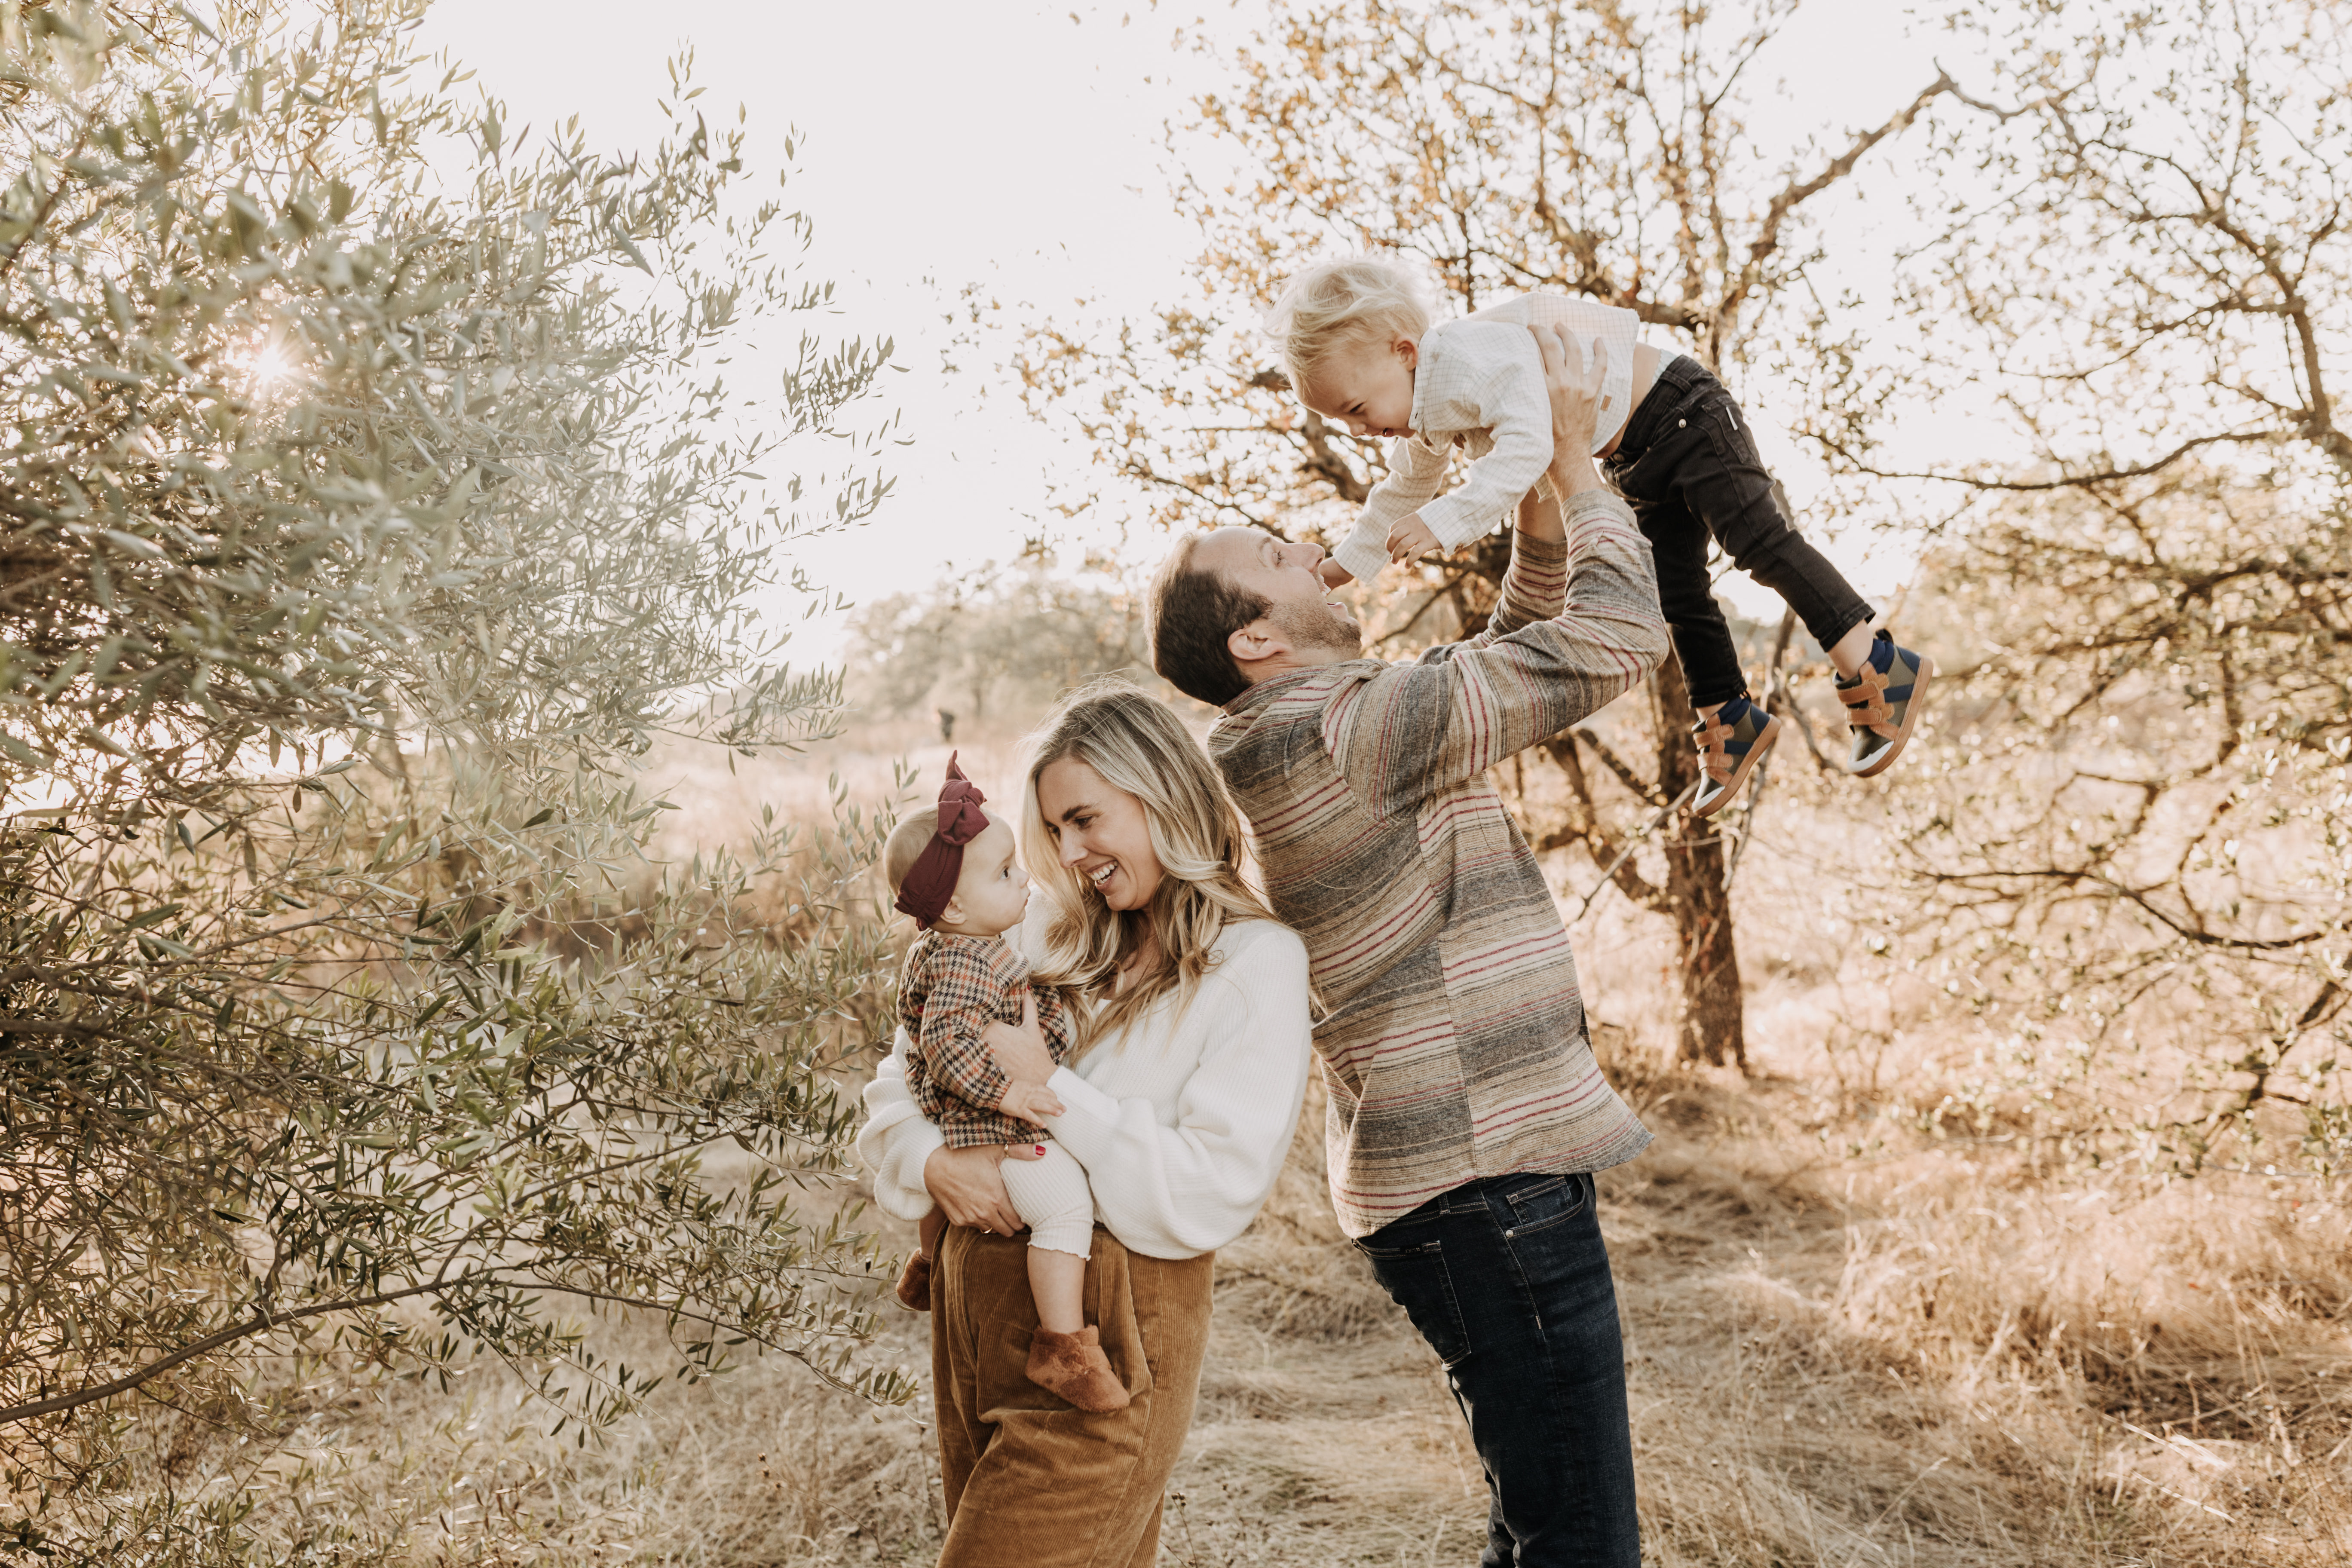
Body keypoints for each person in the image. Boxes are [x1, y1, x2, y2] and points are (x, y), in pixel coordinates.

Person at [1143, 322, 1663, 1567]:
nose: (1314, 551)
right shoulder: (1351, 730)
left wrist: (1533, 498)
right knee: (1582, 1546)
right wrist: (1581, 470)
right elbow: (1612, 643)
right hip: (1486, 1183)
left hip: (1469, 1180)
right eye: (1277, 560)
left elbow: (1502, 655)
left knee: (1545, 1532)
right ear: (1255, 641)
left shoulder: (1324, 725)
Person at [857, 682, 1314, 1568]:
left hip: (1111, 1323)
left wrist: (1054, 1086)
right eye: (1054, 832)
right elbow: (898, 1077)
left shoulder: (1255, 963)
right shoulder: (1046, 933)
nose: (1070, 854)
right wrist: (929, 1161)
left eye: (1085, 820)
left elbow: (1208, 1193)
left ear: (1161, 791)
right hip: (976, 1306)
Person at [1269, 254, 1934, 815]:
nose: (1362, 430)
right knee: (1678, 593)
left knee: (1757, 543)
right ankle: (1729, 717)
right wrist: (1342, 567)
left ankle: (1877, 663)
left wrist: (1446, 522)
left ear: (1405, 351)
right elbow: (1400, 492)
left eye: (1358, 409)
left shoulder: (1470, 360)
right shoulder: (1425, 407)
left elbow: (1532, 445)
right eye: (1346, 422)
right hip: (1635, 455)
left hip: (1683, 412)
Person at [881, 753, 1125, 1414]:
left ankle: (928, 1268)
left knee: (952, 1188)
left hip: (958, 1119)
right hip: (990, 1123)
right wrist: (1010, 1092)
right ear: (957, 902)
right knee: (1065, 1207)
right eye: (1008, 873)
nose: (1025, 882)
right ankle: (1065, 1347)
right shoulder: (967, 959)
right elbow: (946, 1045)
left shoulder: (950, 943)